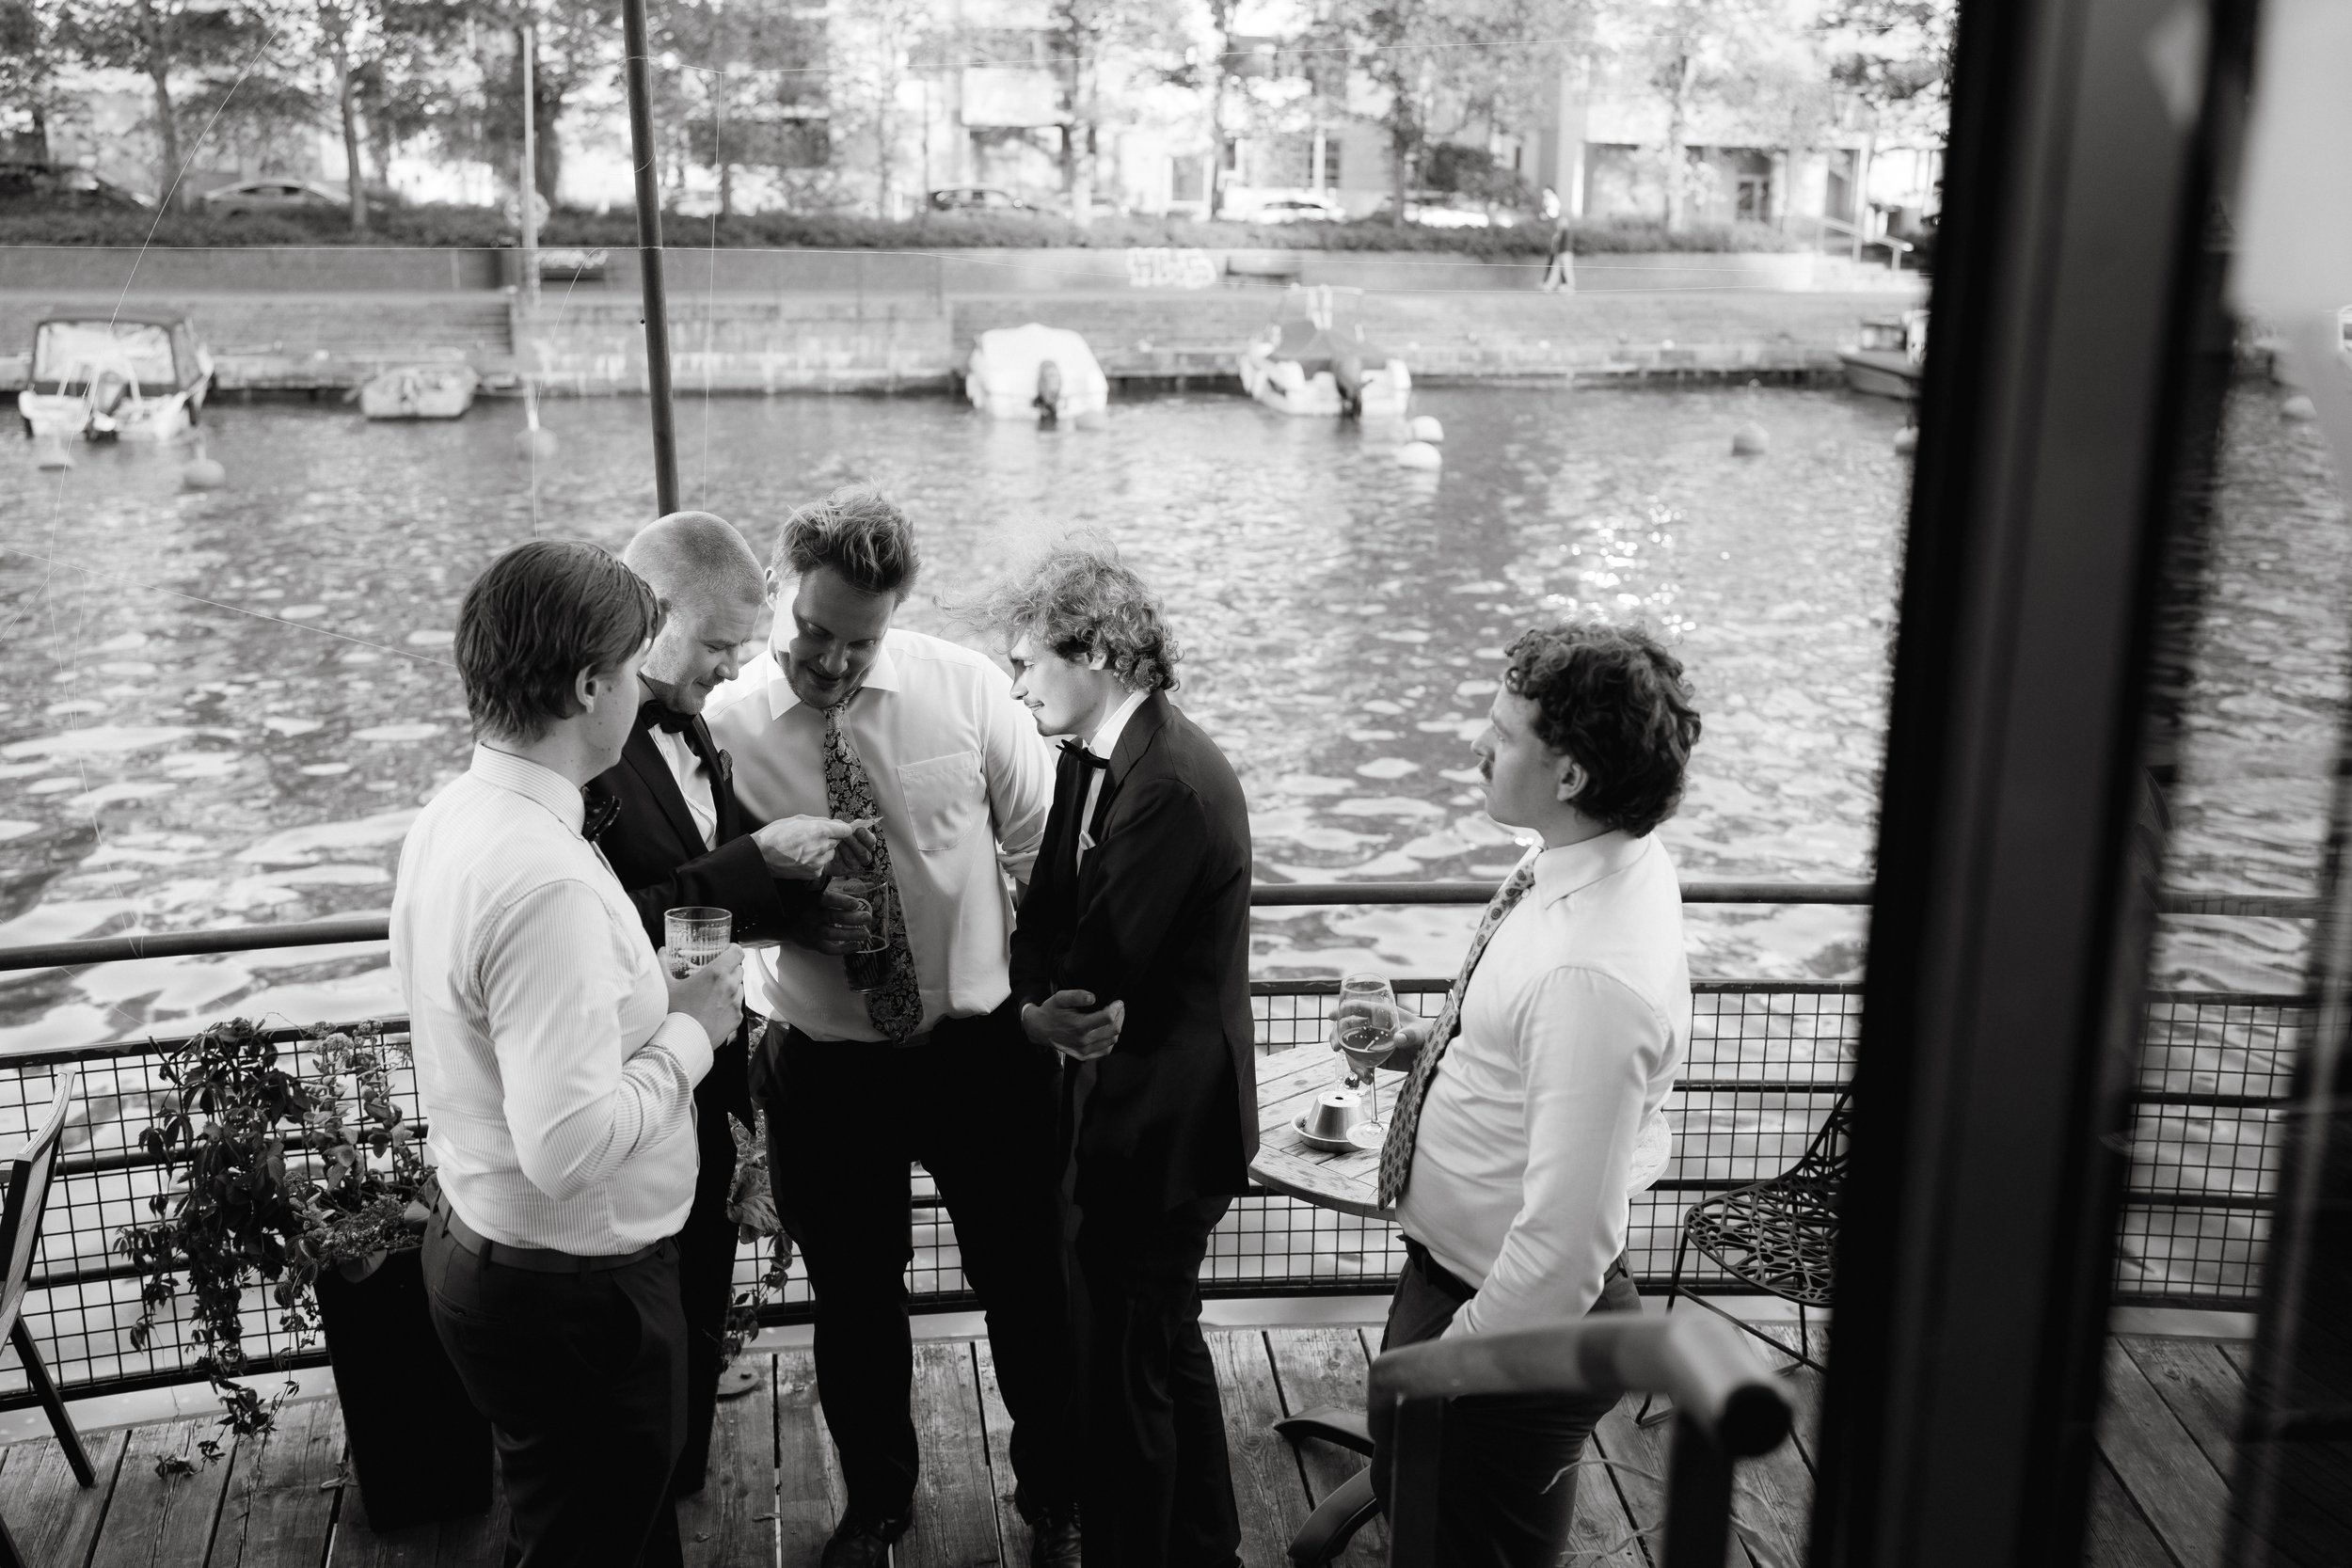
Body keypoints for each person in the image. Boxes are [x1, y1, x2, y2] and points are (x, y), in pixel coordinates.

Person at [704, 486, 1078, 1568]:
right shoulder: (723, 728)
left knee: (1030, 1283)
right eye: (811, 629)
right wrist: (784, 909)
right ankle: (876, 1505)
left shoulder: (963, 687)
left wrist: (1041, 998)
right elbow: (702, 895)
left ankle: (1055, 1490)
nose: (828, 659)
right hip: (821, 1065)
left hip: (982, 1052)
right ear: (775, 592)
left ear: (896, 612)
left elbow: (1042, 846)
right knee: (855, 1301)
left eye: (856, 639)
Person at [393, 538, 746, 1568]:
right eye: (636, 669)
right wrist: (691, 1031)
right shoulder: (544, 875)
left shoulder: (454, 816)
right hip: (574, 1296)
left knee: (600, 1531)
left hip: (497, 1253)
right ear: (589, 684)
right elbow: (567, 1141)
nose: (645, 690)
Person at [1359, 621, 1698, 1568]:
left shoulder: (1587, 975)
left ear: (1571, 775)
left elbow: (1563, 1247)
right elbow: (1538, 1060)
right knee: (1420, 1508)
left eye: (1504, 733)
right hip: (1463, 1281)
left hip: (1509, 1319)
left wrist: (1449, 1365)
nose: (1478, 743)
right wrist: (1430, 1045)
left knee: (1465, 1546)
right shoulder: (1586, 857)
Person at [587, 510, 876, 1500]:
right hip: (626, 1087)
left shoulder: (687, 714)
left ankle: (683, 1472)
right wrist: (757, 863)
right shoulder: (585, 747)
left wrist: (801, 904)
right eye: (716, 646)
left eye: (742, 646)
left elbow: (712, 846)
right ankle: (650, 1488)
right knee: (642, 1333)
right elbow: (612, 927)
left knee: (703, 1286)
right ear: (650, 615)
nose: (730, 668)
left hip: (707, 1072)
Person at [977, 541, 1256, 1568]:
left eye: (1024, 661)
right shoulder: (1093, 759)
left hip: (1162, 1129)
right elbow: (1047, 924)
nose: (1012, 685)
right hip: (1132, 1111)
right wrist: (1036, 988)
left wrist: (1034, 999)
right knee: (1163, 1345)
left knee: (1125, 1376)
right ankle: (1207, 1543)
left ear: (1094, 649)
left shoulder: (1170, 785)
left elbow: (1090, 962)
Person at [1538, 186, 1575, 293]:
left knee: (1567, 271)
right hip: (1559, 253)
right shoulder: (1558, 232)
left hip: (1565, 253)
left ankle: (1570, 288)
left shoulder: (1566, 231)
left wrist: (1560, 251)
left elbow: (1566, 244)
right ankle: (1549, 287)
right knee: (1555, 270)